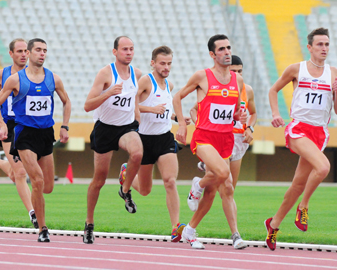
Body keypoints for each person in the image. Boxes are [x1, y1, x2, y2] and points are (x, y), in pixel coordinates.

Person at [265, 27, 337, 251]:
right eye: (320, 44)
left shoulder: (334, 73)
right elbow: (273, 90)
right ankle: (304, 206)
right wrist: (276, 114)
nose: (324, 48)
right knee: (324, 167)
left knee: (298, 184)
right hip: (298, 128)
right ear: (309, 47)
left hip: (320, 132)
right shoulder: (296, 69)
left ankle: (273, 224)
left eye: (327, 44)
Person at [0, 38, 71, 242]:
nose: (42, 53)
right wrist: (1, 125)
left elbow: (66, 101)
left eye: (45, 50)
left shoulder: (54, 79)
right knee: (37, 180)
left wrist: (64, 125)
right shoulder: (16, 79)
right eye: (38, 50)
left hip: (46, 134)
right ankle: (42, 229)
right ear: (29, 52)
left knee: (48, 187)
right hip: (24, 134)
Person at [172, 35, 246, 249]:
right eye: (221, 49)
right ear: (213, 54)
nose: (227, 52)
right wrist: (183, 125)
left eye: (229, 48)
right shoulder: (202, 76)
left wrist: (238, 117)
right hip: (204, 137)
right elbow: (177, 97)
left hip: (225, 139)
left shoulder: (237, 80)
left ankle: (190, 230)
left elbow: (232, 112)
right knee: (224, 175)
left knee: (220, 190)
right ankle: (198, 184)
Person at [118, 46, 192, 242]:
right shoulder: (145, 81)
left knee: (170, 181)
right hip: (143, 140)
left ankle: (176, 226)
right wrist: (151, 109)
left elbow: (165, 110)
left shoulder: (170, 85)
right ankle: (126, 174)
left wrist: (178, 117)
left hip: (164, 138)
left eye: (169, 63)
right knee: (144, 190)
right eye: (162, 63)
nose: (166, 67)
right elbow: (129, 103)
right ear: (153, 63)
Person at [83, 36, 143, 244]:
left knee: (137, 152)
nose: (128, 52)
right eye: (124, 49)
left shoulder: (137, 74)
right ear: (115, 52)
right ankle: (89, 223)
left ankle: (124, 189)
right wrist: (108, 93)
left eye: (131, 49)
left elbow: (142, 95)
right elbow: (88, 105)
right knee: (98, 180)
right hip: (105, 129)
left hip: (126, 127)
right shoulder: (106, 73)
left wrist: (139, 116)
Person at [0, 38, 38, 229]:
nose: (23, 55)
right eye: (19, 51)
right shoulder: (1, 74)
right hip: (8, 127)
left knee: (14, 174)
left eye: (25, 51)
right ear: (11, 54)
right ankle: (33, 213)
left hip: (27, 126)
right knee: (20, 173)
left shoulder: (36, 74)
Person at [191, 55, 257, 189]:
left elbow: (253, 113)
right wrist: (201, 126)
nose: (237, 74)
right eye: (234, 71)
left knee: (230, 188)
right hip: (221, 136)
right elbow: (194, 110)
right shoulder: (218, 88)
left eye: (240, 71)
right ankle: (205, 168)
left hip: (239, 139)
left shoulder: (248, 90)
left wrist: (250, 128)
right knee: (214, 188)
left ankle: (206, 165)